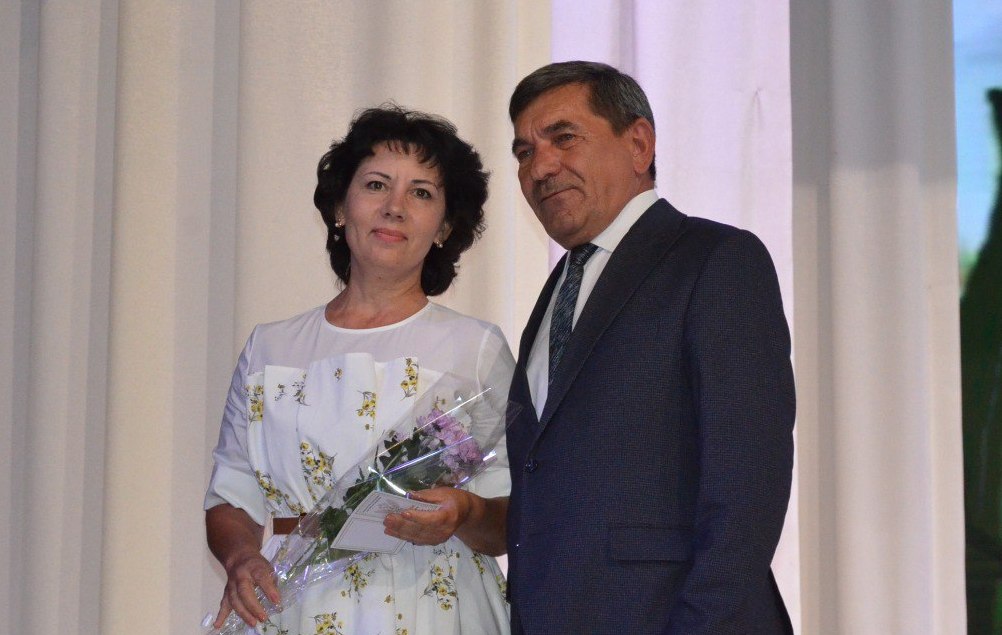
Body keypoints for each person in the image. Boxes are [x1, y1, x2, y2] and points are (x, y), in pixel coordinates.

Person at [504, 61, 796, 634]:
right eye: (523, 152)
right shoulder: (562, 285)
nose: (540, 166)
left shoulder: (716, 260)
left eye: (564, 138)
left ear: (638, 144)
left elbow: (747, 491)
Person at [204, 106, 513, 635]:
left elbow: (512, 519)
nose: (394, 207)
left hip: (434, 605)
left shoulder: (477, 348)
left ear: (445, 227)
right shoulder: (270, 348)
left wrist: (463, 513)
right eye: (376, 185)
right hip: (294, 600)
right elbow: (230, 498)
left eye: (421, 193)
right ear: (340, 209)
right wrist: (240, 558)